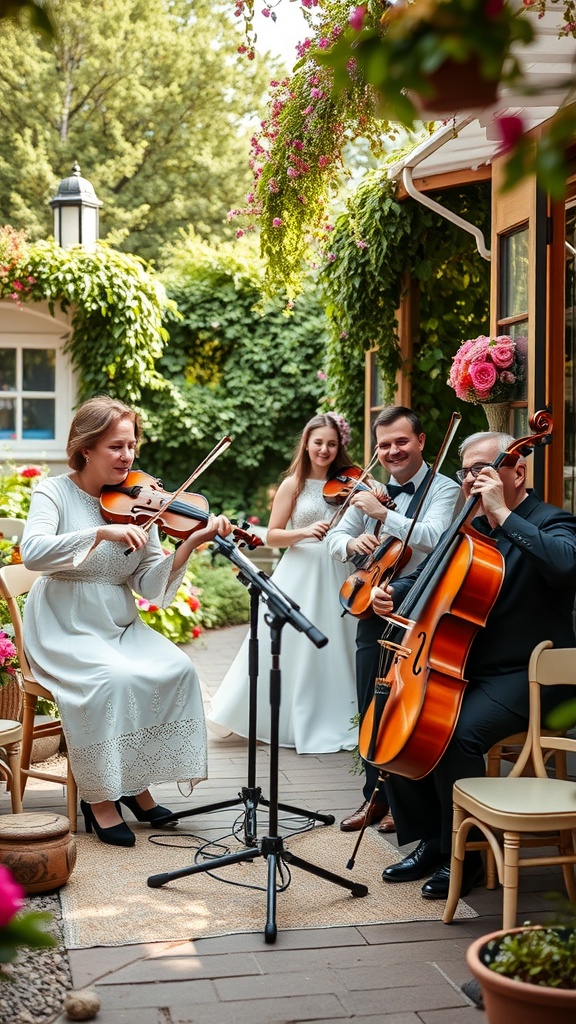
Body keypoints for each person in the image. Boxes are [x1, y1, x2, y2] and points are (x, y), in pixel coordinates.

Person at [371, 429, 576, 899]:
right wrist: (391, 594)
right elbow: (424, 578)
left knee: (456, 732)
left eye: (480, 471)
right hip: (465, 669)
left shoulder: (554, 522)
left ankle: (473, 856)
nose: (468, 482)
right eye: (464, 473)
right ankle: (434, 842)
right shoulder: (467, 530)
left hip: (527, 674)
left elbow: (566, 566)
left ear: (516, 472)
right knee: (398, 717)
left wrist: (503, 514)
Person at [20, 395, 232, 848]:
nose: (127, 456)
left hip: (117, 622)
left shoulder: (143, 500)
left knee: (175, 670)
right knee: (112, 680)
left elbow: (149, 586)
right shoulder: (54, 492)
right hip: (65, 622)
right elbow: (34, 552)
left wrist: (190, 543)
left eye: (131, 445)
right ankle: (100, 799)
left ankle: (135, 785)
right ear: (87, 448)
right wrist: (99, 531)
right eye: (116, 446)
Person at [326, 406, 461, 833]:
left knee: (413, 708)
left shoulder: (445, 488)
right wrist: (352, 543)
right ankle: (375, 800)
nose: (392, 451)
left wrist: (384, 516)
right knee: (372, 703)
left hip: (424, 611)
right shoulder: (369, 491)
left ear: (421, 442)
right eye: (384, 445)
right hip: (372, 601)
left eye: (401, 441)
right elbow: (333, 537)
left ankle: (409, 805)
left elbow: (437, 537)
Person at [207, 413, 359, 754]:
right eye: (318, 442)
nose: (324, 450)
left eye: (332, 444)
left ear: (340, 447)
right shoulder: (294, 484)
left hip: (339, 568)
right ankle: (287, 718)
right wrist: (305, 531)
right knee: (293, 646)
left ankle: (338, 715)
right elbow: (273, 536)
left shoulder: (351, 482)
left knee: (339, 644)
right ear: (306, 443)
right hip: (301, 570)